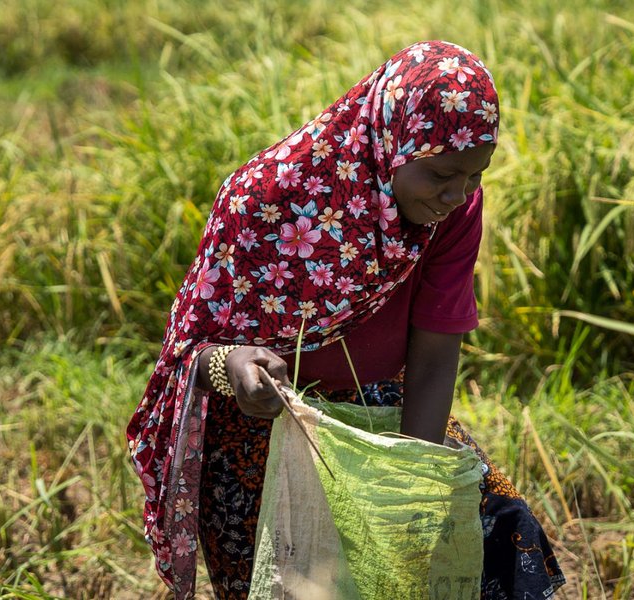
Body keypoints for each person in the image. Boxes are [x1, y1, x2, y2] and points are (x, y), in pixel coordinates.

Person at [126, 41, 565, 599]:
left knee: (496, 533)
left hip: (381, 405)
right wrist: (236, 366)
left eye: (475, 176)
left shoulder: (453, 211)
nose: (457, 195)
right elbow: (192, 350)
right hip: (267, 423)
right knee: (303, 580)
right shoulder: (266, 199)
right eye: (439, 175)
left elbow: (435, 349)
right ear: (391, 142)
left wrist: (410, 487)